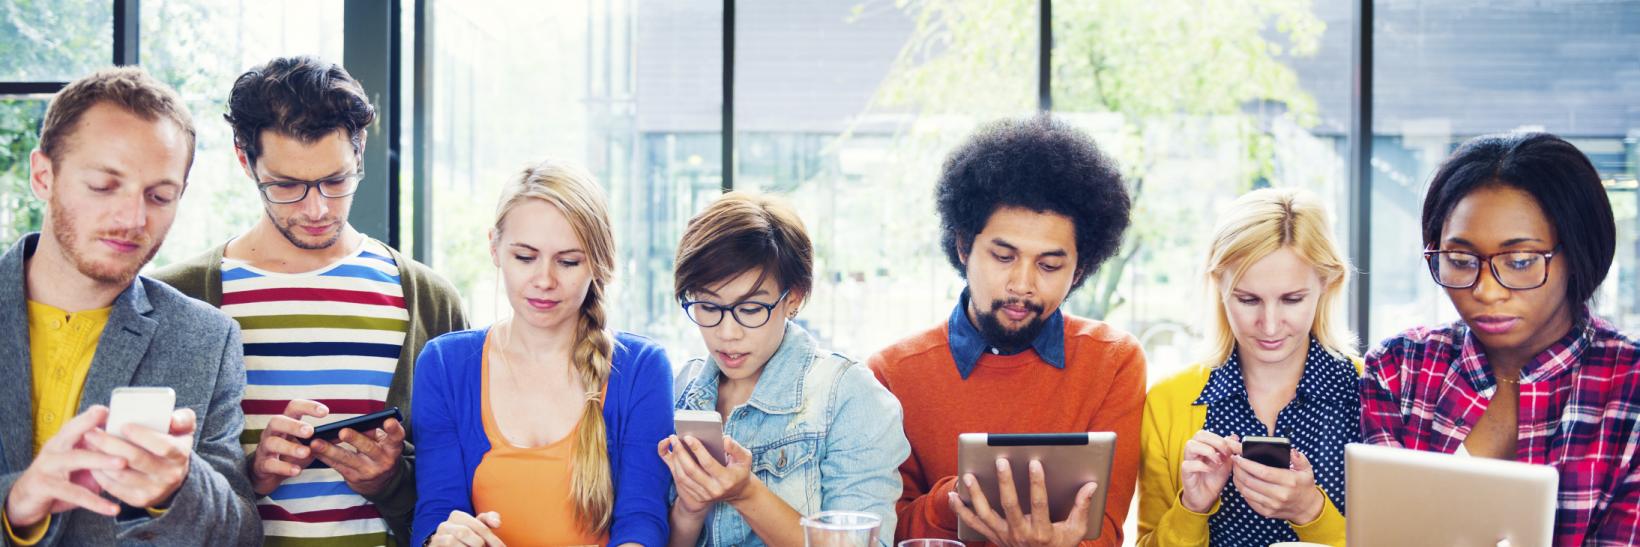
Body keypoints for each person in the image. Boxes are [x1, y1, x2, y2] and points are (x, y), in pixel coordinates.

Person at [152, 55, 466, 545]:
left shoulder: (428, 299)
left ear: (360, 151)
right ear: (244, 160)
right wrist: (248, 477)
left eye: (336, 181)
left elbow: (460, 480)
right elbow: (147, 499)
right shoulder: (178, 298)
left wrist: (390, 482)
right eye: (287, 186)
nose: (316, 208)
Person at [0, 67, 260, 545]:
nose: (133, 218)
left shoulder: (206, 338)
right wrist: (15, 505)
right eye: (103, 185)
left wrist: (180, 487)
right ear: (43, 175)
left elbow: (240, 535)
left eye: (160, 196)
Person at [869, 115, 1146, 546]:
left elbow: (1105, 532)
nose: (1022, 284)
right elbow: (884, 531)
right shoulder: (892, 373)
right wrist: (956, 499)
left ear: (1080, 269)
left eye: (1050, 265)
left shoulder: (1112, 361)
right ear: (964, 247)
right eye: (1003, 256)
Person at [1361, 132, 1640, 544]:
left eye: (1521, 261)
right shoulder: (1400, 368)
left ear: (1579, 253)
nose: (1486, 291)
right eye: (1460, 260)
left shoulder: (1630, 386)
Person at [411, 159, 674, 547]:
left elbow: (642, 520)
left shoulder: (641, 369)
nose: (545, 280)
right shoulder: (444, 366)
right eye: (525, 257)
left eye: (568, 261)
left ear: (598, 265)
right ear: (494, 248)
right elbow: (435, 511)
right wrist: (442, 540)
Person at [660, 192, 910, 547]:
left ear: (793, 298)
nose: (727, 333)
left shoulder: (849, 397)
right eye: (707, 306)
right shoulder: (678, 389)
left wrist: (747, 493)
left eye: (750, 309)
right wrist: (689, 509)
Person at [1137, 188, 1361, 547]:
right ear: (1219, 286)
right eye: (1248, 299)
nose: (1269, 325)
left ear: (1327, 283)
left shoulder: (1371, 392)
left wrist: (1311, 513)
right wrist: (1192, 509)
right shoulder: (1169, 403)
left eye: (1291, 299)